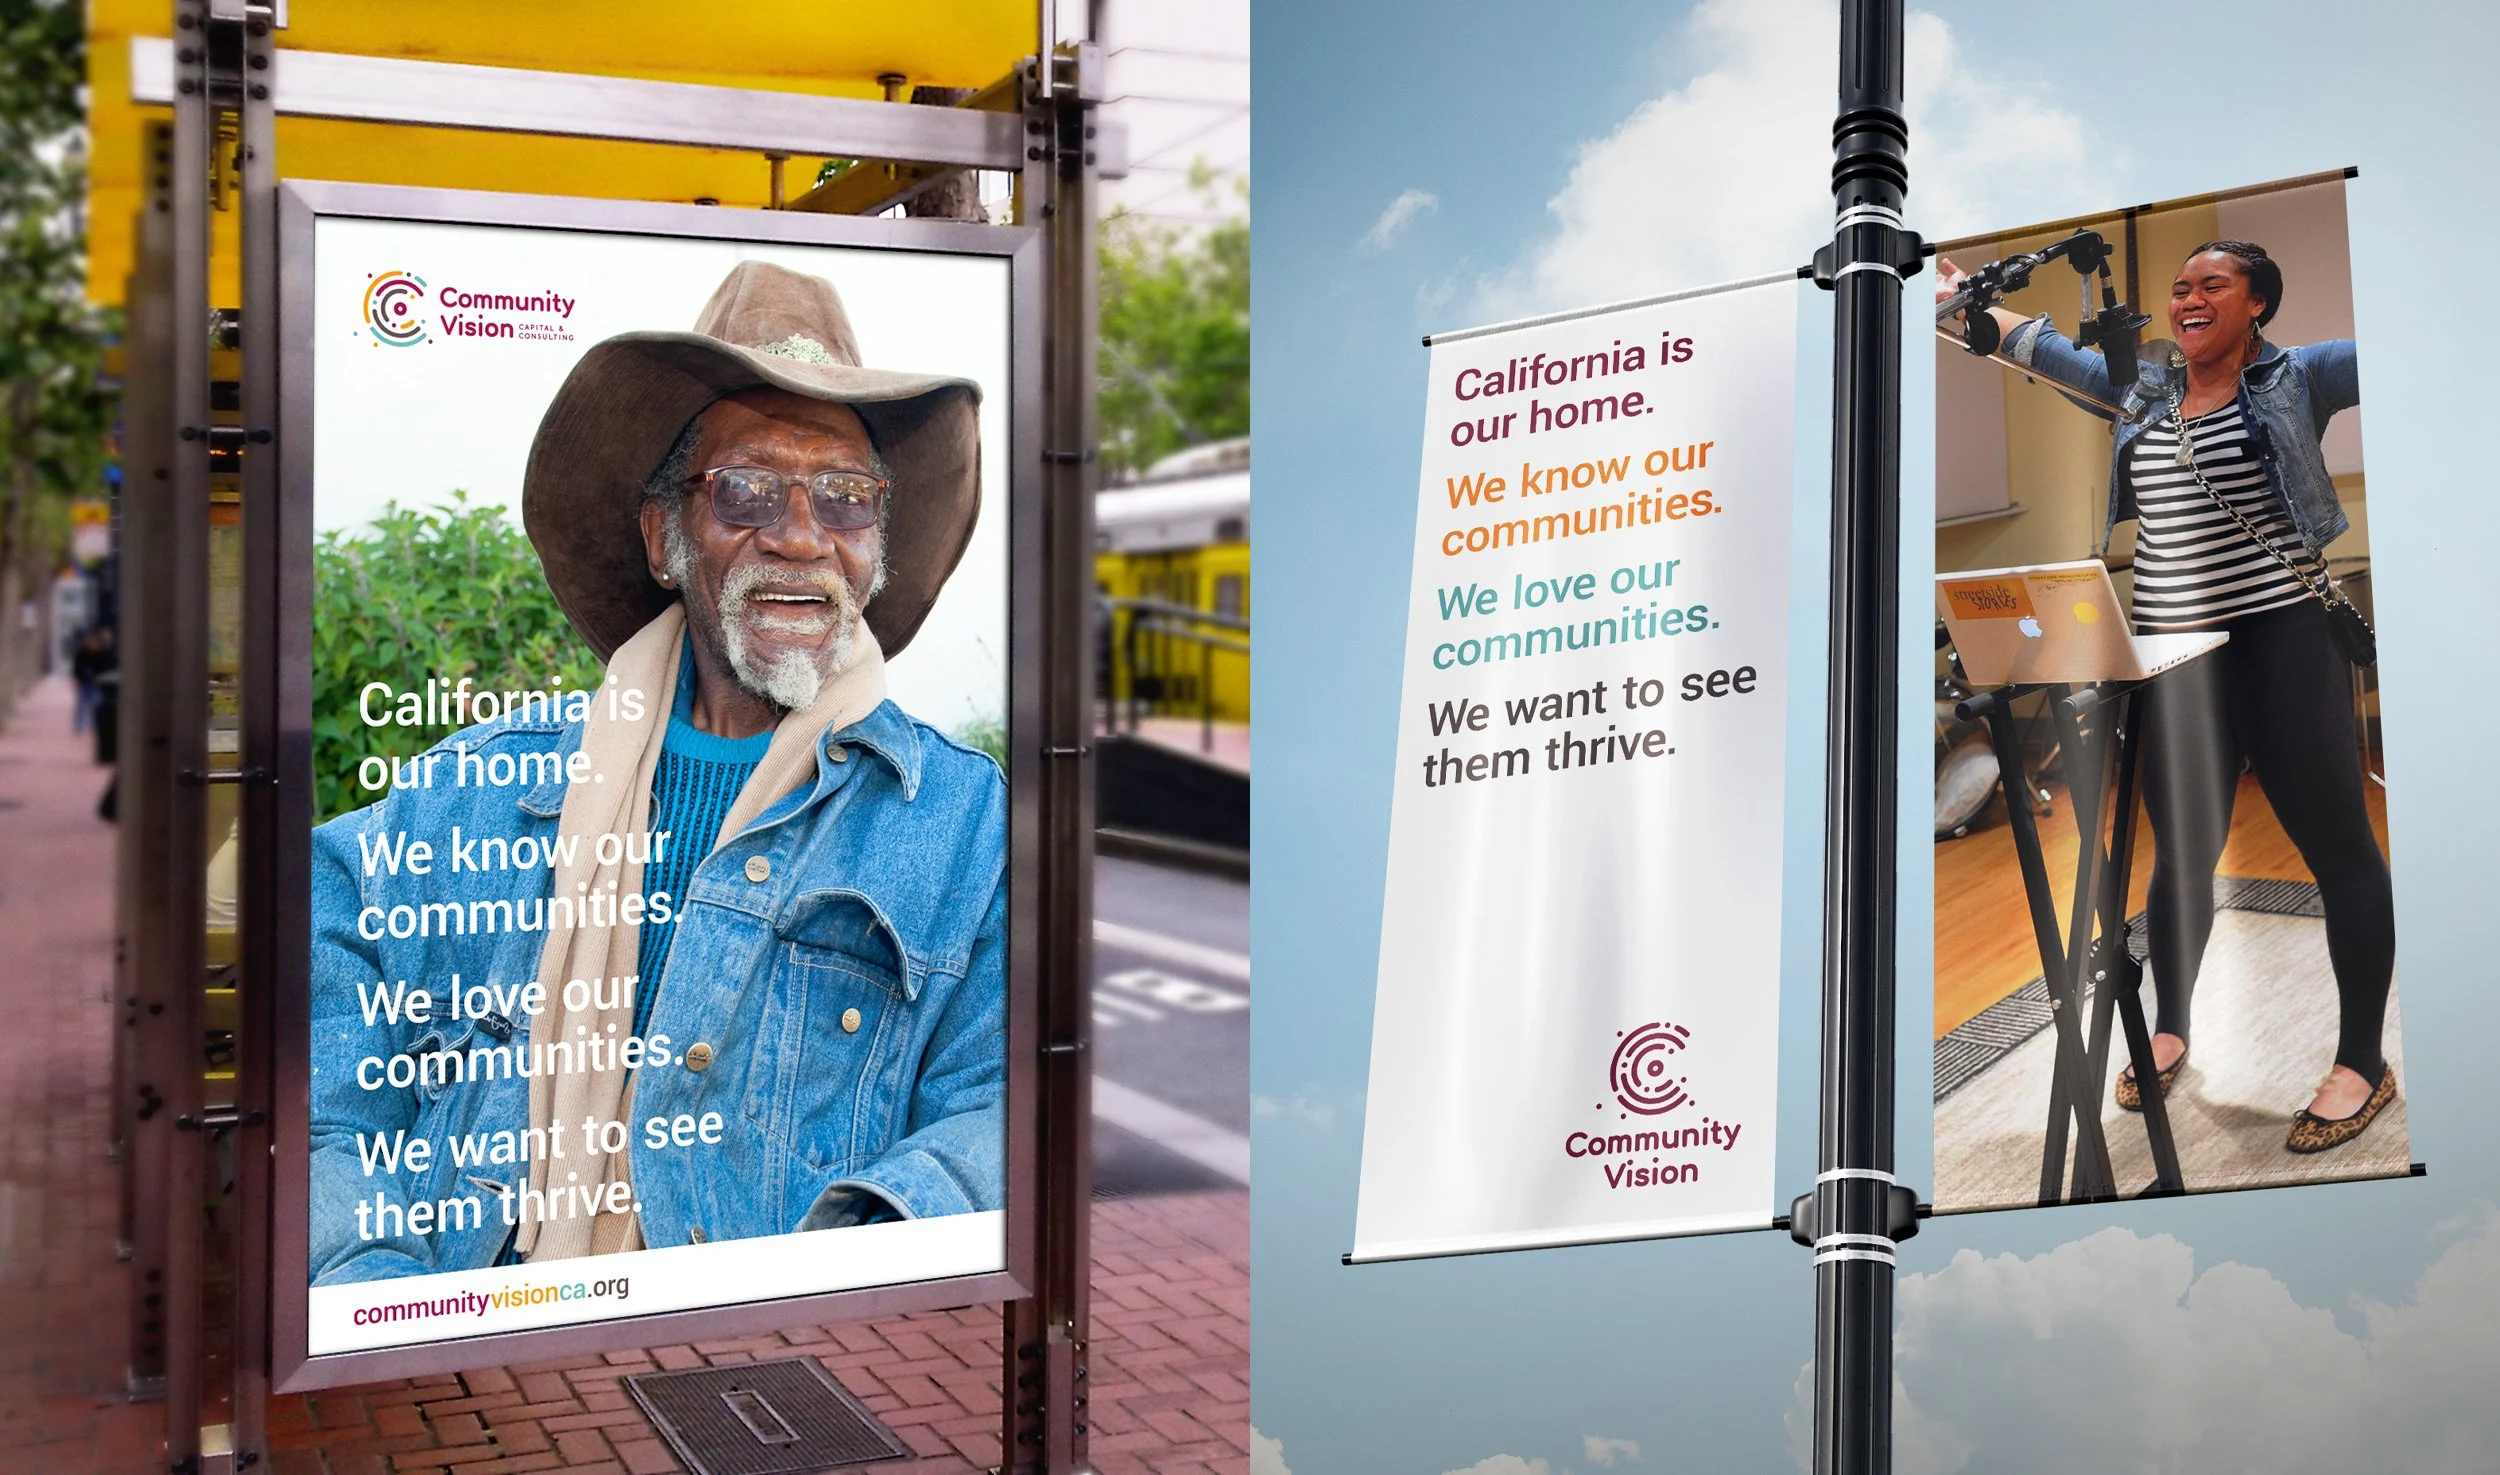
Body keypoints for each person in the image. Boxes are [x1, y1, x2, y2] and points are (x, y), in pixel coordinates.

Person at [310, 262, 1004, 1283]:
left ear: (876, 541)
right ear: (664, 536)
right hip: (479, 1350)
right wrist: (376, 1293)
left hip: (777, 1369)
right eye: (749, 487)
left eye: (846, 498)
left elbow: (1002, 1105)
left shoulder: (965, 826)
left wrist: (824, 1291)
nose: (801, 534)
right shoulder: (471, 792)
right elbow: (324, 1081)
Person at [1939, 239, 2395, 1152]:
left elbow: (2426, 343)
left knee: (2337, 844)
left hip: (2285, 640)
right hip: (2177, 653)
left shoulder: (2303, 375)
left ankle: (2359, 1061)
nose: (2187, 297)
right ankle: (2172, 1023)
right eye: (2180, 286)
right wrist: (1955, 303)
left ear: (2256, 301)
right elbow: (2031, 345)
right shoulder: (2142, 388)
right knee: (2182, 851)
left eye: (2211, 284)